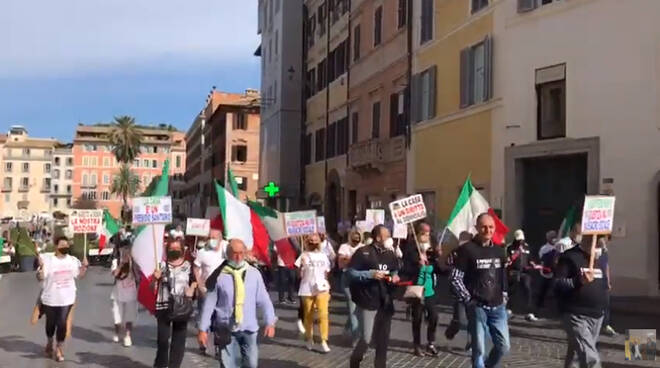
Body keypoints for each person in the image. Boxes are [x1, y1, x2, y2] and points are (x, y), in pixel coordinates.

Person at [198, 239, 277, 368]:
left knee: (251, 364)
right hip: (226, 328)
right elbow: (209, 304)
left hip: (249, 328)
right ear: (228, 254)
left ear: (245, 253)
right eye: (235, 253)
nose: (238, 256)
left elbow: (264, 299)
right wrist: (203, 329)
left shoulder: (254, 274)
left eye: (241, 252)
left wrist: (270, 321)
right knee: (229, 365)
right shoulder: (219, 276)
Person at [450, 213, 510, 368]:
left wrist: (504, 294)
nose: (487, 230)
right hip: (477, 306)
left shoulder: (499, 250)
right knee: (479, 350)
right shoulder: (466, 250)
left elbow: (502, 275)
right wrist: (468, 300)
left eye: (491, 227)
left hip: (498, 307)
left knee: (503, 346)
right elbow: (455, 278)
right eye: (483, 227)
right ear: (477, 227)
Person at [347, 225, 400, 368]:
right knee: (367, 338)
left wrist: (395, 277)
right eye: (387, 236)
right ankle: (355, 359)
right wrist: (369, 274)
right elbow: (351, 273)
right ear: (378, 238)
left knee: (383, 340)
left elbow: (394, 270)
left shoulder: (391, 254)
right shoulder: (363, 252)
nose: (390, 239)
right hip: (368, 300)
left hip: (385, 301)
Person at [555, 233, 608, 368]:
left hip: (596, 315)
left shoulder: (600, 258)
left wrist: (604, 308)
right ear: (587, 239)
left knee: (577, 357)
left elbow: (603, 284)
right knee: (590, 358)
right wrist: (579, 281)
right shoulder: (569, 257)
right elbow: (558, 284)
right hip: (576, 314)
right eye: (597, 242)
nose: (599, 247)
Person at [36, 236, 88, 362]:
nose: (65, 247)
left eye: (67, 245)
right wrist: (40, 273)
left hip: (67, 298)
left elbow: (79, 276)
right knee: (51, 323)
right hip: (50, 298)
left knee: (62, 323)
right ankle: (49, 341)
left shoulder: (72, 260)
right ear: (56, 246)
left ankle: (59, 348)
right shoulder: (48, 260)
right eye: (62, 245)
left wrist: (84, 268)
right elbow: (40, 277)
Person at [152, 239, 197, 368]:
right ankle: (160, 364)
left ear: (182, 250)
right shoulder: (161, 265)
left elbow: (194, 281)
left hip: (182, 305)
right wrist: (155, 278)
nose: (174, 250)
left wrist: (191, 289)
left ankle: (174, 365)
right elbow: (152, 288)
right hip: (164, 305)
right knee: (163, 340)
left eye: (177, 248)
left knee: (179, 340)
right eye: (172, 248)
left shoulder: (188, 265)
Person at [401, 222, 440, 357]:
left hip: (430, 290)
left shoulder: (432, 249)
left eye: (428, 233)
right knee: (417, 318)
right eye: (423, 233)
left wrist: (439, 258)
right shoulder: (411, 249)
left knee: (434, 316)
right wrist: (417, 265)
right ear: (417, 234)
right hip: (417, 290)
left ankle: (430, 343)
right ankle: (417, 345)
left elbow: (439, 268)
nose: (426, 236)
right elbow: (405, 269)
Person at [193, 228, 228, 353]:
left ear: (221, 238)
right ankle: (202, 341)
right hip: (207, 290)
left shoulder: (227, 249)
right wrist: (199, 284)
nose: (211, 240)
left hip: (223, 290)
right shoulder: (202, 252)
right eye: (210, 237)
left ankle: (219, 345)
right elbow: (196, 268)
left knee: (220, 318)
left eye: (214, 237)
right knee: (204, 316)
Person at [296, 233, 332, 353]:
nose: (313, 243)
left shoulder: (323, 256)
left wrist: (325, 284)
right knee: (308, 315)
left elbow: (327, 272)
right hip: (307, 288)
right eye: (311, 241)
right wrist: (301, 267)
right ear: (307, 242)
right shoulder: (303, 255)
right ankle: (309, 338)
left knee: (323, 314)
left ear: (319, 243)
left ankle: (323, 340)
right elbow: (298, 274)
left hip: (321, 288)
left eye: (316, 241)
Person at [445, 231, 473, 352]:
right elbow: (447, 265)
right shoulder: (455, 252)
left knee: (472, 318)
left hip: (472, 289)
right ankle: (453, 328)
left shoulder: (474, 252)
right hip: (458, 290)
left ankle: (471, 342)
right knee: (459, 319)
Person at [110, 238, 139, 347]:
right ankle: (117, 332)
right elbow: (115, 274)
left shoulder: (135, 261)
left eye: (128, 249)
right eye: (124, 249)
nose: (126, 251)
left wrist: (132, 263)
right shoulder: (116, 261)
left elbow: (139, 275)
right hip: (117, 294)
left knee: (129, 317)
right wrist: (122, 264)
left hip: (131, 294)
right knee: (117, 317)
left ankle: (127, 336)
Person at [505, 230, 538, 322]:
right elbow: (507, 260)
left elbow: (530, 258)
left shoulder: (526, 247)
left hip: (525, 272)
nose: (520, 242)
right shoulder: (510, 247)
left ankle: (529, 312)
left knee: (528, 290)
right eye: (518, 240)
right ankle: (509, 310)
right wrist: (515, 255)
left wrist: (532, 264)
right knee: (512, 291)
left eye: (521, 240)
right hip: (514, 272)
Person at [337, 229, 363, 343]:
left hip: (362, 279)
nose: (356, 239)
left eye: (358, 237)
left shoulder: (364, 247)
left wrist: (349, 258)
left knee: (359, 308)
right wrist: (354, 259)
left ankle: (347, 329)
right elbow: (341, 263)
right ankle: (356, 338)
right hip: (348, 278)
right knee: (352, 307)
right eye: (354, 237)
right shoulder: (344, 247)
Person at [596, 237, 617, 337]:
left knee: (606, 304)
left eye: (604, 242)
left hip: (603, 281)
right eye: (602, 242)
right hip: (596, 280)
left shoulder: (605, 252)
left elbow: (606, 267)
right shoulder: (594, 252)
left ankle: (606, 325)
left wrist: (608, 281)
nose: (604, 244)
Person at [536, 230, 559, 311]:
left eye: (555, 237)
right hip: (545, 272)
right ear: (548, 238)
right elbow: (541, 259)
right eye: (552, 237)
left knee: (554, 290)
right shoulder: (544, 248)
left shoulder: (558, 246)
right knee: (543, 289)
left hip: (555, 272)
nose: (554, 239)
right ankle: (539, 306)